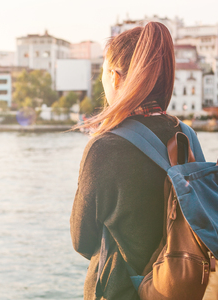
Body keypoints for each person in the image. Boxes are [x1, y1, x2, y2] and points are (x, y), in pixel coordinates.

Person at [70, 22, 186, 300]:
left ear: (116, 76)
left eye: (102, 73)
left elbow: (82, 241)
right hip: (183, 287)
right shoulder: (185, 134)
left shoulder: (105, 147)